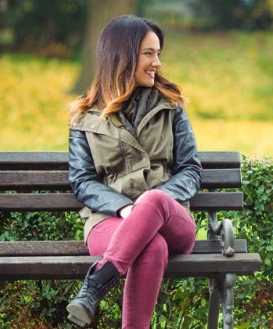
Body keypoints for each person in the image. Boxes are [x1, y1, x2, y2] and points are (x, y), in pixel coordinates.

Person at [66, 15, 201, 328]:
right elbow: (82, 181)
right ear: (122, 56)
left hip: (170, 215)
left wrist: (147, 204)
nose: (157, 62)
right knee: (151, 246)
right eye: (149, 54)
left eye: (158, 53)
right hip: (108, 221)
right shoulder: (84, 115)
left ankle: (95, 285)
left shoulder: (171, 106)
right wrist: (124, 207)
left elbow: (190, 170)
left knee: (152, 201)